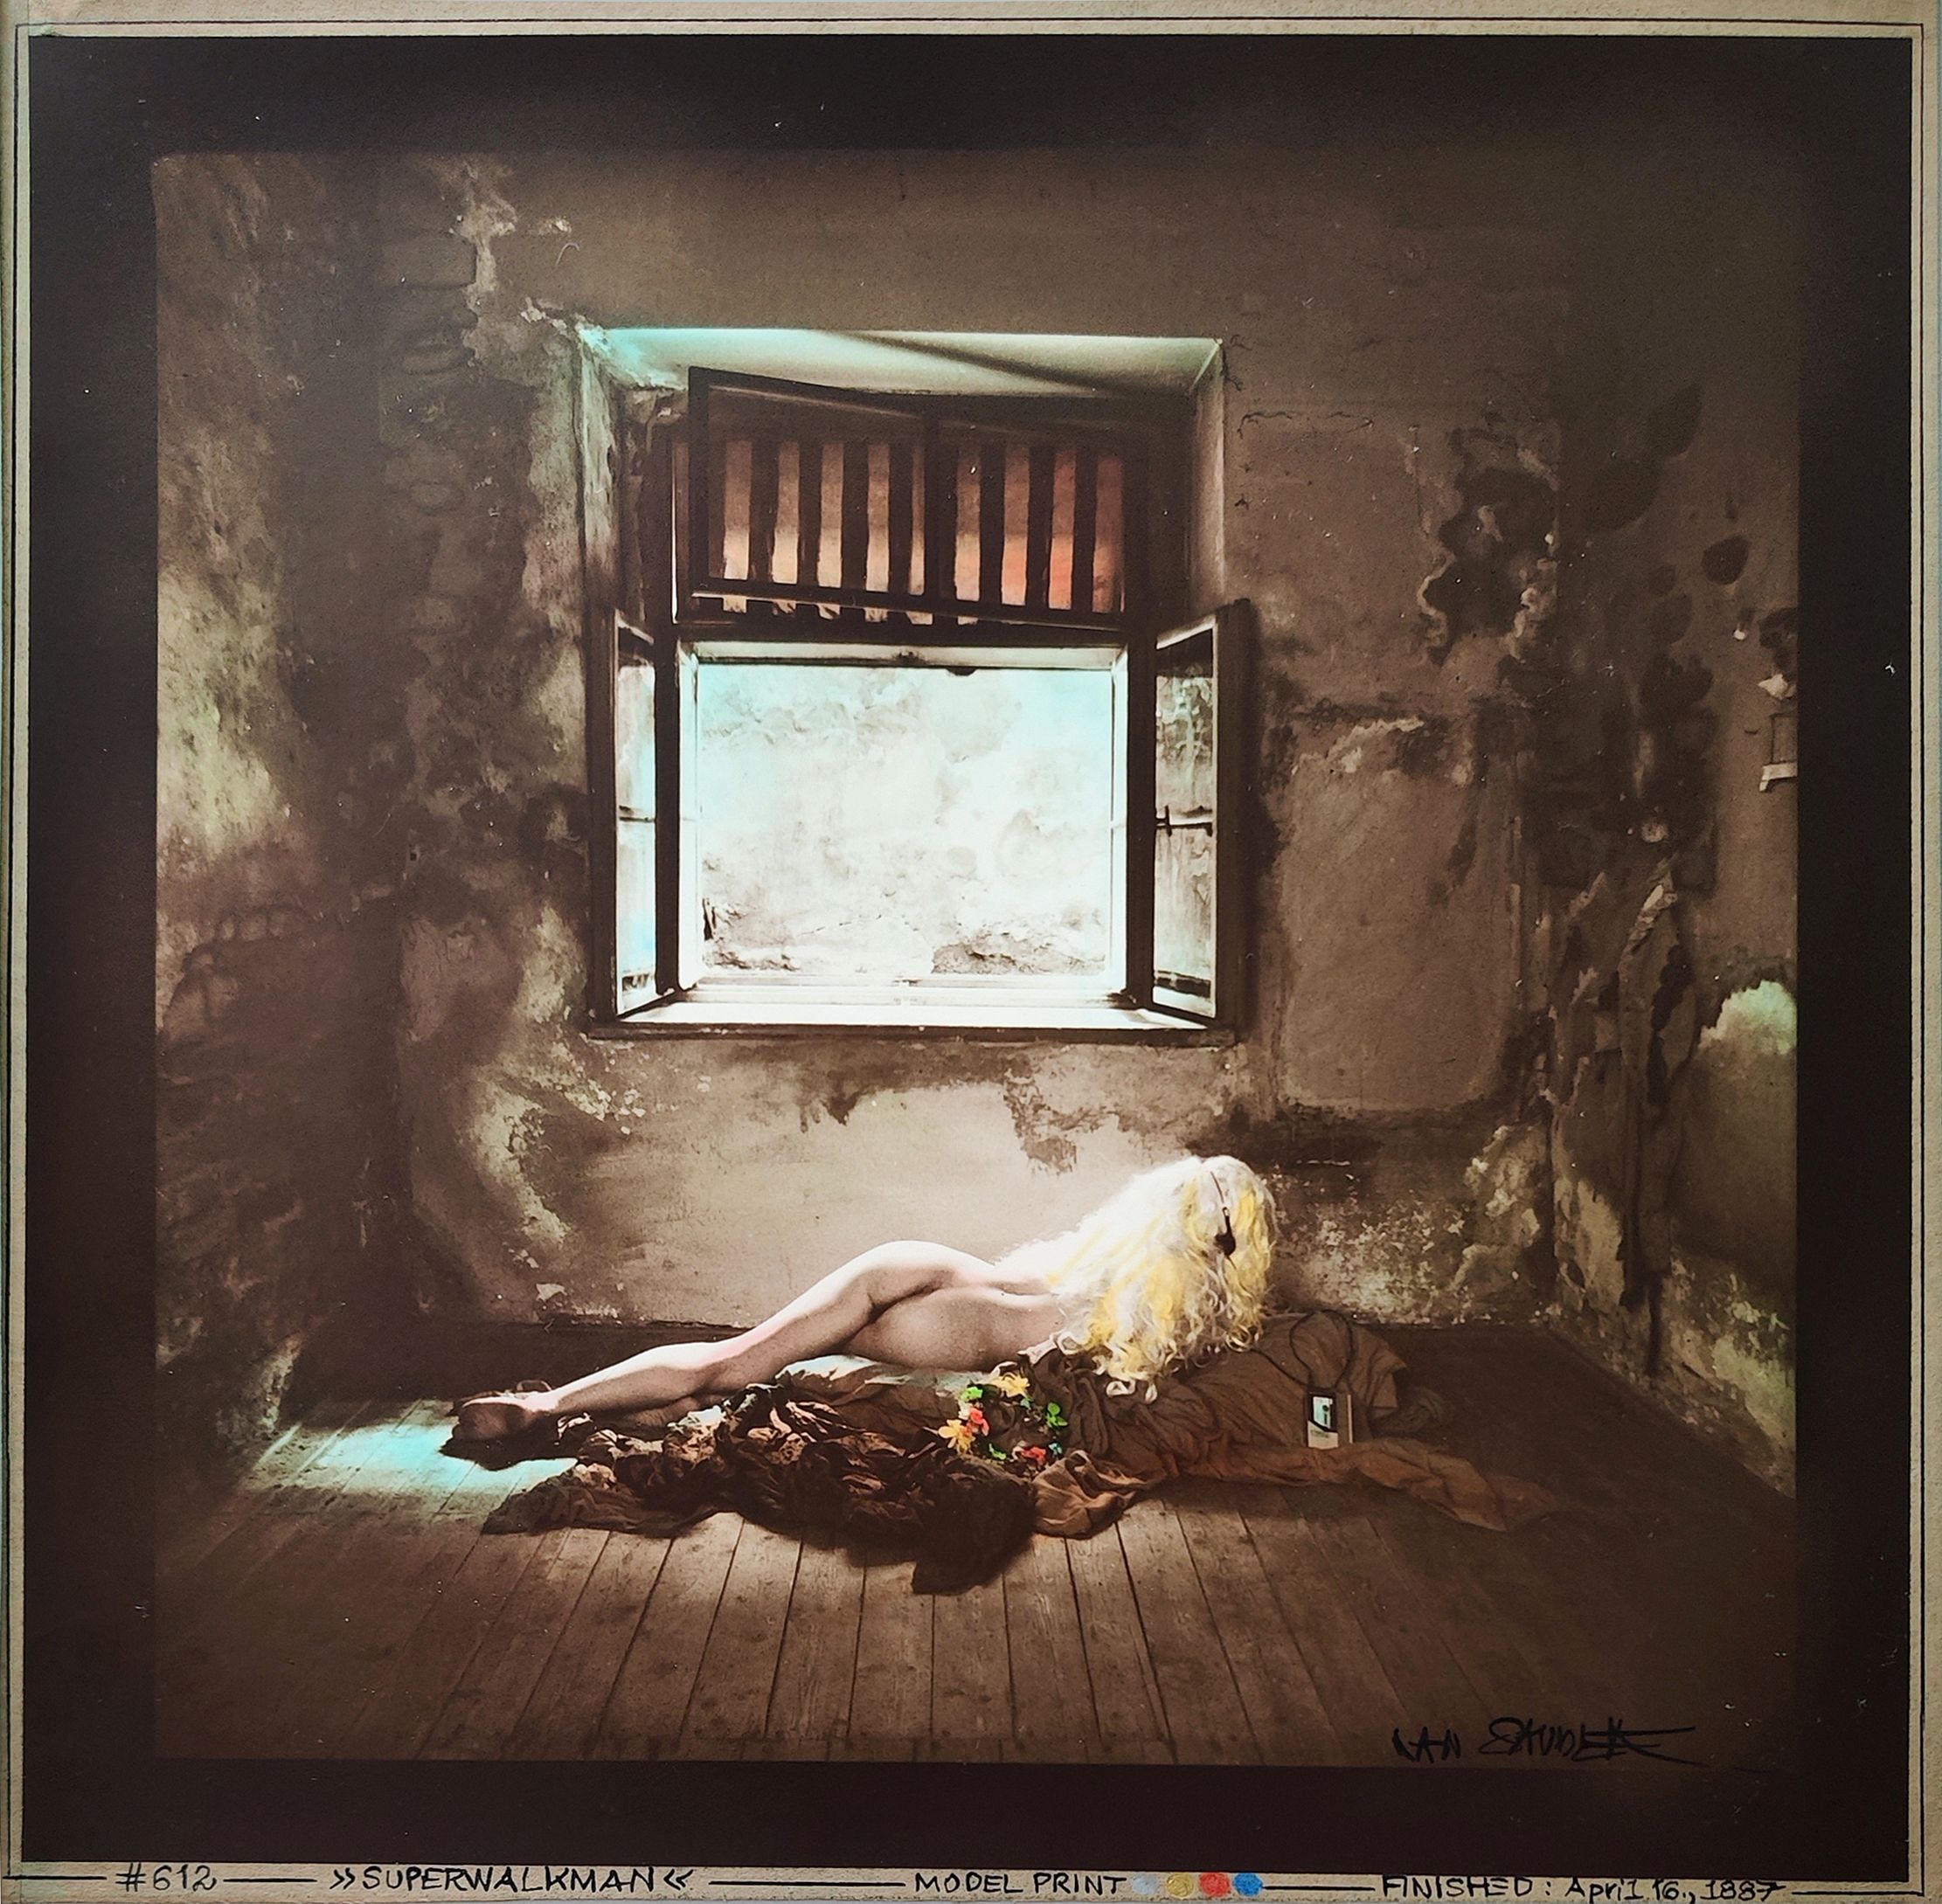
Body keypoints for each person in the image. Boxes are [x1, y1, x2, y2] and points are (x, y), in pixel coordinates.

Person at [450, 1153, 1277, 1443]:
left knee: (733, 1360)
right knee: (740, 1382)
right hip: (960, 1326)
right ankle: (578, 1410)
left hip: (924, 1263)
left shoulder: (1109, 1242)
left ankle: (550, 1402)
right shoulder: (1174, 1307)